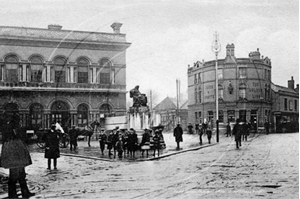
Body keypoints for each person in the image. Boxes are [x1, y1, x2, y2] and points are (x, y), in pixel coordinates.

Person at [0, 113, 35, 198]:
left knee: (20, 174)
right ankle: (14, 194)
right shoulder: (11, 130)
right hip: (14, 154)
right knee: (15, 175)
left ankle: (23, 192)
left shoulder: (11, 130)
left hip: (15, 154)